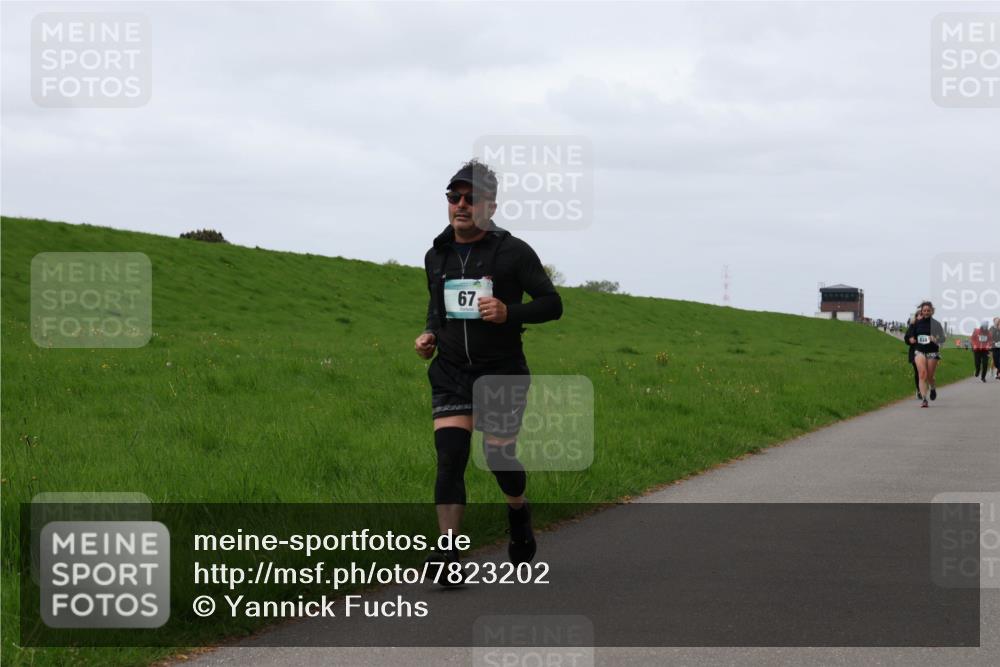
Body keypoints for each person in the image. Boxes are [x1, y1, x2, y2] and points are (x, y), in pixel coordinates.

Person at [415, 159, 563, 581]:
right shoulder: (436, 254)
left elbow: (553, 304)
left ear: (490, 206)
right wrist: (428, 335)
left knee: (498, 456)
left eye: (471, 198)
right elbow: (437, 309)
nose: (461, 205)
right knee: (450, 459)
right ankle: (448, 553)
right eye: (454, 197)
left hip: (501, 371)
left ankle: (518, 511)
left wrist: (508, 312)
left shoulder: (512, 252)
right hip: (451, 370)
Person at [904, 301, 947, 408]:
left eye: (928, 310)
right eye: (924, 311)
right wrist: (910, 339)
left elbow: (943, 339)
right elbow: (907, 336)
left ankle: (932, 387)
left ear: (932, 311)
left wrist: (935, 339)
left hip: (932, 351)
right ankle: (924, 399)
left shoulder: (936, 324)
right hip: (919, 350)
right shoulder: (916, 323)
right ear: (921, 311)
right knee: (922, 374)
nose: (926, 312)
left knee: (929, 376)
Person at [906, 309, 923, 399]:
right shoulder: (912, 326)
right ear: (916, 317)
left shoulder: (928, 326)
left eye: (922, 315)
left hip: (926, 352)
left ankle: (925, 386)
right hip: (915, 352)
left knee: (924, 373)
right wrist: (910, 340)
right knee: (918, 372)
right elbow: (906, 337)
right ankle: (919, 390)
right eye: (919, 315)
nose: (921, 316)